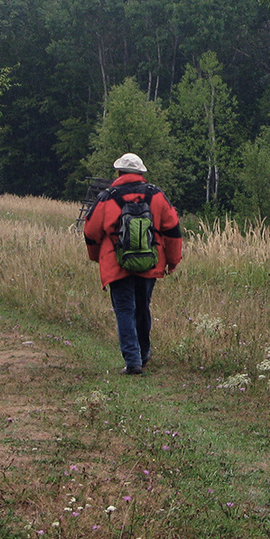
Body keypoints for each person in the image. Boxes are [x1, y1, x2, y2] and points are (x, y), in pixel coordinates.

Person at [83, 153, 183, 375]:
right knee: (142, 308)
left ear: (119, 173)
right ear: (141, 173)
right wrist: (173, 260)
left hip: (116, 264)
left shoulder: (107, 197)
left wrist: (96, 255)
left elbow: (90, 231)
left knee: (125, 310)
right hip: (150, 262)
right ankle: (144, 354)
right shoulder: (156, 195)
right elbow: (173, 229)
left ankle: (133, 360)